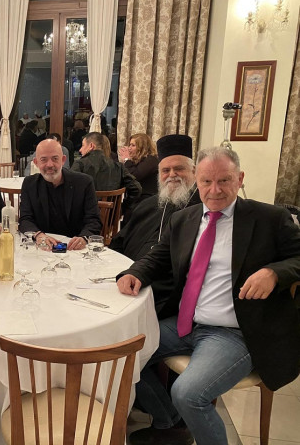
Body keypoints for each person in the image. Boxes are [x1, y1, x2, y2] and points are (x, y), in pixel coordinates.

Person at [117, 147, 300, 445]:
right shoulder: (185, 218)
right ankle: (169, 423)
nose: (214, 190)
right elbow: (158, 257)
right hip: (185, 323)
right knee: (118, 353)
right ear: (197, 181)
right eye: (206, 181)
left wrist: (275, 272)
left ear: (240, 178)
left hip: (236, 332)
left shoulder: (270, 218)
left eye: (224, 180)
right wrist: (134, 273)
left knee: (188, 393)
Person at [110, 134, 199, 313]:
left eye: (179, 169)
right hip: (125, 279)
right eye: (166, 170)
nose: (172, 175)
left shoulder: (201, 209)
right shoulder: (148, 205)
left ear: (194, 171)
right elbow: (119, 241)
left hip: (163, 294)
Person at [19, 139, 102, 251]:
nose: (50, 165)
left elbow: (94, 220)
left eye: (55, 159)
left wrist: (83, 238)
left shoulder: (84, 183)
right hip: (43, 248)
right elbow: (25, 219)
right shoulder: (29, 184)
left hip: (74, 249)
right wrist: (38, 235)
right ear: (36, 162)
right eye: (43, 160)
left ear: (63, 160)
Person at [71, 132, 141, 208]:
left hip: (85, 214)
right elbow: (136, 188)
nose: (80, 150)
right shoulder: (118, 167)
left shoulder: (80, 164)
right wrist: (121, 207)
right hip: (111, 213)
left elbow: (68, 188)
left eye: (83, 145)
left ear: (91, 146)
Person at [118, 133, 159, 203]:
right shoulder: (136, 160)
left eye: (133, 145)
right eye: (130, 145)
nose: (129, 148)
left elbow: (134, 176)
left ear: (142, 147)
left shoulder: (151, 160)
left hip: (146, 200)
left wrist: (126, 160)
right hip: (135, 198)